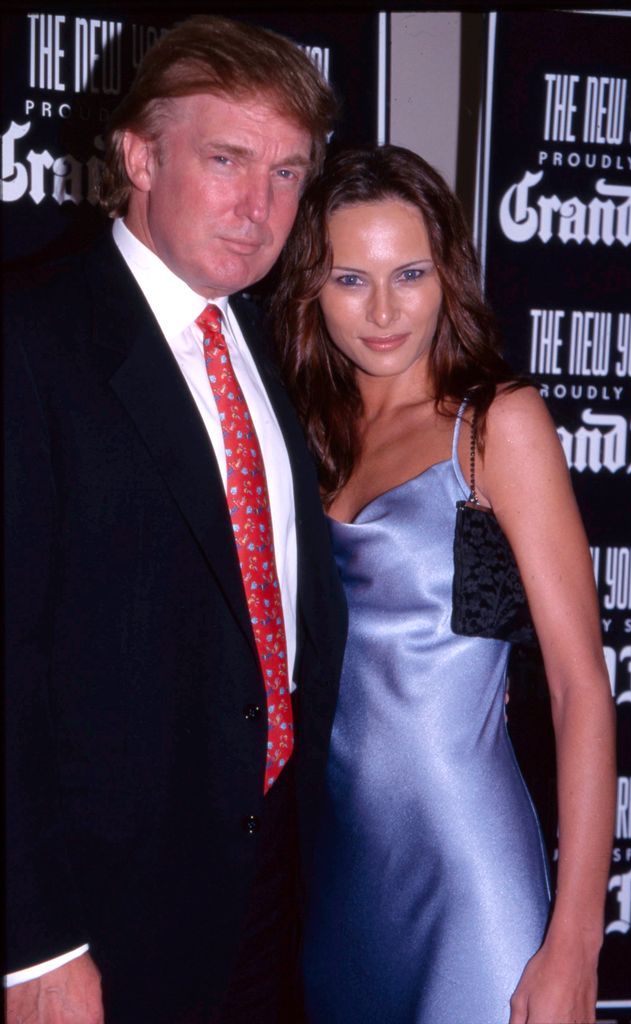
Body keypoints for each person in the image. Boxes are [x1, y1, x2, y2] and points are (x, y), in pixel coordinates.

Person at [4, 16, 346, 1024]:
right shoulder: (29, 341)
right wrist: (35, 946)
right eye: (227, 160)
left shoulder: (271, 344)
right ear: (140, 157)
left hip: (272, 889)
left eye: (287, 173)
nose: (259, 207)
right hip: (100, 919)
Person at [273, 145, 616, 1024]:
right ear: (311, 286)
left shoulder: (496, 423)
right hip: (338, 885)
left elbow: (580, 687)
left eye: (410, 274)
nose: (384, 311)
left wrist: (575, 942)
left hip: (469, 877)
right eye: (351, 279)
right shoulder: (303, 430)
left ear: (448, 275)